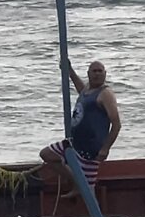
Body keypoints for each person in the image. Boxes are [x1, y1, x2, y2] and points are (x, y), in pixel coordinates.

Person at [39, 60, 121, 199]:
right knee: (47, 154)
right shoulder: (88, 90)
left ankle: (83, 193)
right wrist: (69, 71)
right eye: (94, 71)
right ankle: (77, 183)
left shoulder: (106, 94)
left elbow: (116, 124)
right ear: (88, 74)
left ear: (105, 74)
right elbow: (81, 91)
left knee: (88, 196)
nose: (97, 74)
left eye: (100, 71)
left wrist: (105, 148)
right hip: (74, 143)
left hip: (90, 150)